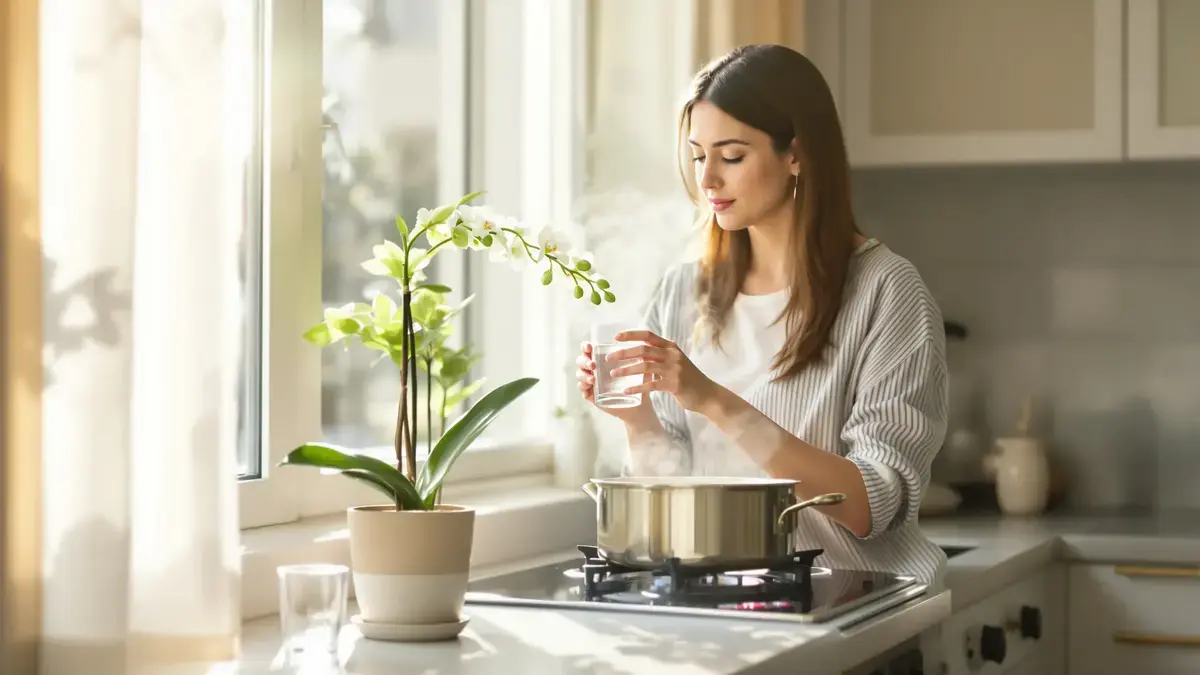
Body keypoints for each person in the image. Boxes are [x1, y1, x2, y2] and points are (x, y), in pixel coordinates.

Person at [575, 44, 949, 587]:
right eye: (698, 156)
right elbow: (675, 484)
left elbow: (873, 503)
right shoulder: (684, 293)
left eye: (731, 157)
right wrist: (636, 417)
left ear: (795, 154)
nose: (707, 182)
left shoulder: (886, 293)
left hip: (856, 602)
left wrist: (713, 400)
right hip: (726, 604)